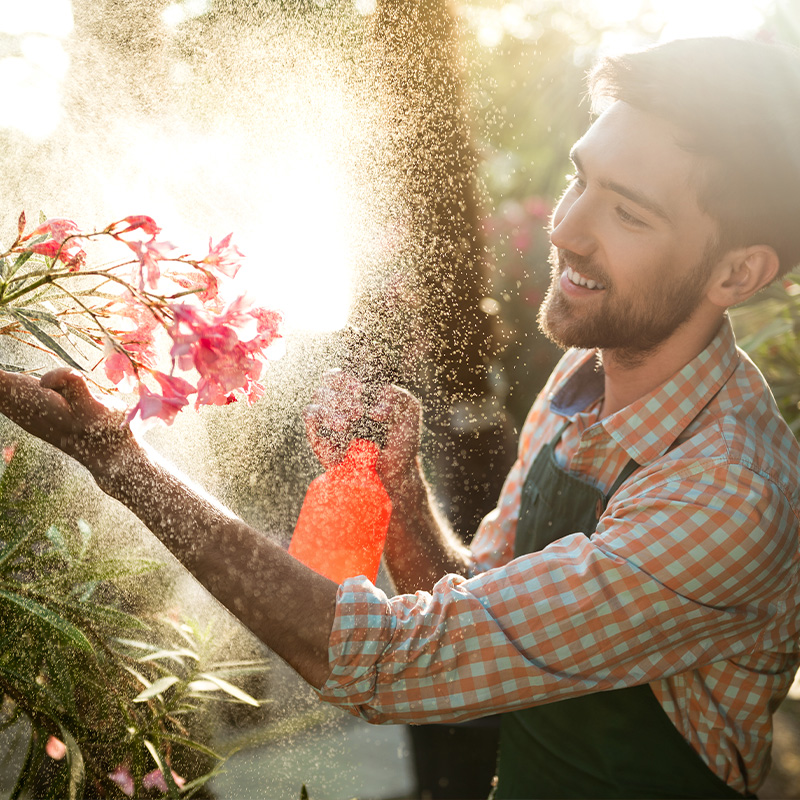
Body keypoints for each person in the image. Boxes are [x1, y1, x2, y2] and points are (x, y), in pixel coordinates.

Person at [2, 35, 800, 798]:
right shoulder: (584, 375)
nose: (566, 228)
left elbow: (400, 665)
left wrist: (121, 460)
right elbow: (486, 603)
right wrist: (404, 497)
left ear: (738, 270)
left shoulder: (727, 496)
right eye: (581, 180)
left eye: (629, 214)